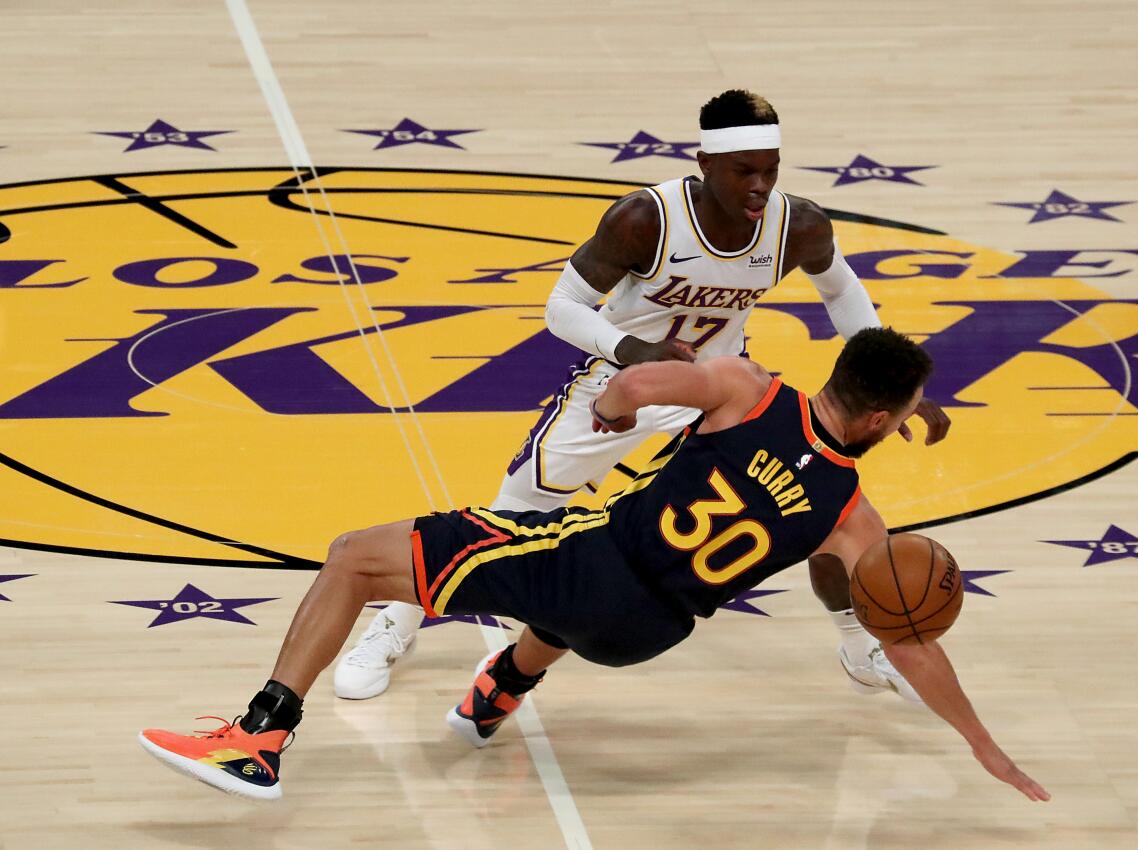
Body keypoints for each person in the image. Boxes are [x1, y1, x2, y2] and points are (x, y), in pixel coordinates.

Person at [139, 328, 1047, 804]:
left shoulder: (749, 389)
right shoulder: (856, 521)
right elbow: (913, 639)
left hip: (585, 566)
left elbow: (641, 387)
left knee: (353, 560)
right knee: (569, 604)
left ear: (840, 374)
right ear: (885, 420)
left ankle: (260, 737)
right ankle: (501, 689)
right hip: (645, 635)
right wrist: (982, 743)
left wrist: (611, 410)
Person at [334, 89, 951, 703]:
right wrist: (634, 353)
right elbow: (562, 308)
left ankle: (857, 641)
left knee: (821, 509)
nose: (760, 187)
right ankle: (397, 620)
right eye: (744, 172)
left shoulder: (799, 225)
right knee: (517, 506)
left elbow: (841, 292)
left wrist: (894, 386)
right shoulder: (644, 220)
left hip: (723, 389)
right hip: (623, 378)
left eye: (771, 170)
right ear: (705, 166)